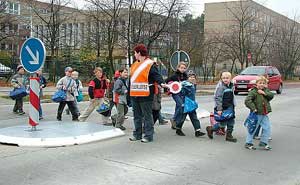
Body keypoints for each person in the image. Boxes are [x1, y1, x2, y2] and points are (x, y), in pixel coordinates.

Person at [129, 44, 165, 143]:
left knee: (147, 116)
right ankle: (137, 134)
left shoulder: (150, 64)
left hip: (146, 94)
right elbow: (131, 80)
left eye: (135, 52)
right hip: (135, 94)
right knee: (137, 116)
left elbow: (157, 76)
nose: (134, 54)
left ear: (139, 53)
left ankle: (148, 135)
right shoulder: (134, 64)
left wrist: (162, 83)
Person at [206, 71, 237, 142]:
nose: (225, 79)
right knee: (222, 123)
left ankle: (229, 136)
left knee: (231, 122)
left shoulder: (231, 86)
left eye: (227, 78)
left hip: (230, 107)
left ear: (230, 78)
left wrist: (233, 105)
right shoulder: (221, 88)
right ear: (221, 79)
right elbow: (218, 98)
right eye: (223, 78)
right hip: (223, 108)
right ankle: (211, 129)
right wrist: (219, 109)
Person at [244, 76, 273, 150]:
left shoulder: (266, 91)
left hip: (264, 113)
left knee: (267, 128)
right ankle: (248, 143)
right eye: (260, 83)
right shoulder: (253, 91)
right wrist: (253, 108)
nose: (262, 85)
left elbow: (271, 96)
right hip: (256, 114)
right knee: (253, 128)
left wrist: (264, 93)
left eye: (263, 83)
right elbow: (247, 101)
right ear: (256, 84)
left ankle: (263, 142)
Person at [175, 70, 206, 137]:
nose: (192, 78)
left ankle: (197, 131)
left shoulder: (193, 85)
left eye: (193, 77)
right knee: (182, 118)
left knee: (194, 117)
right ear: (187, 78)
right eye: (190, 77)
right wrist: (182, 103)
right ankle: (178, 129)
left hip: (191, 104)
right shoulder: (184, 85)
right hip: (185, 104)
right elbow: (181, 94)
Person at [165, 62, 188, 129]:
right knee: (180, 105)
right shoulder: (175, 75)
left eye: (184, 68)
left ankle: (174, 124)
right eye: (181, 68)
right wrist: (170, 87)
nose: (183, 69)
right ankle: (174, 119)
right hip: (175, 93)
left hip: (182, 93)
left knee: (178, 107)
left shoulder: (185, 76)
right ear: (178, 68)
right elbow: (166, 81)